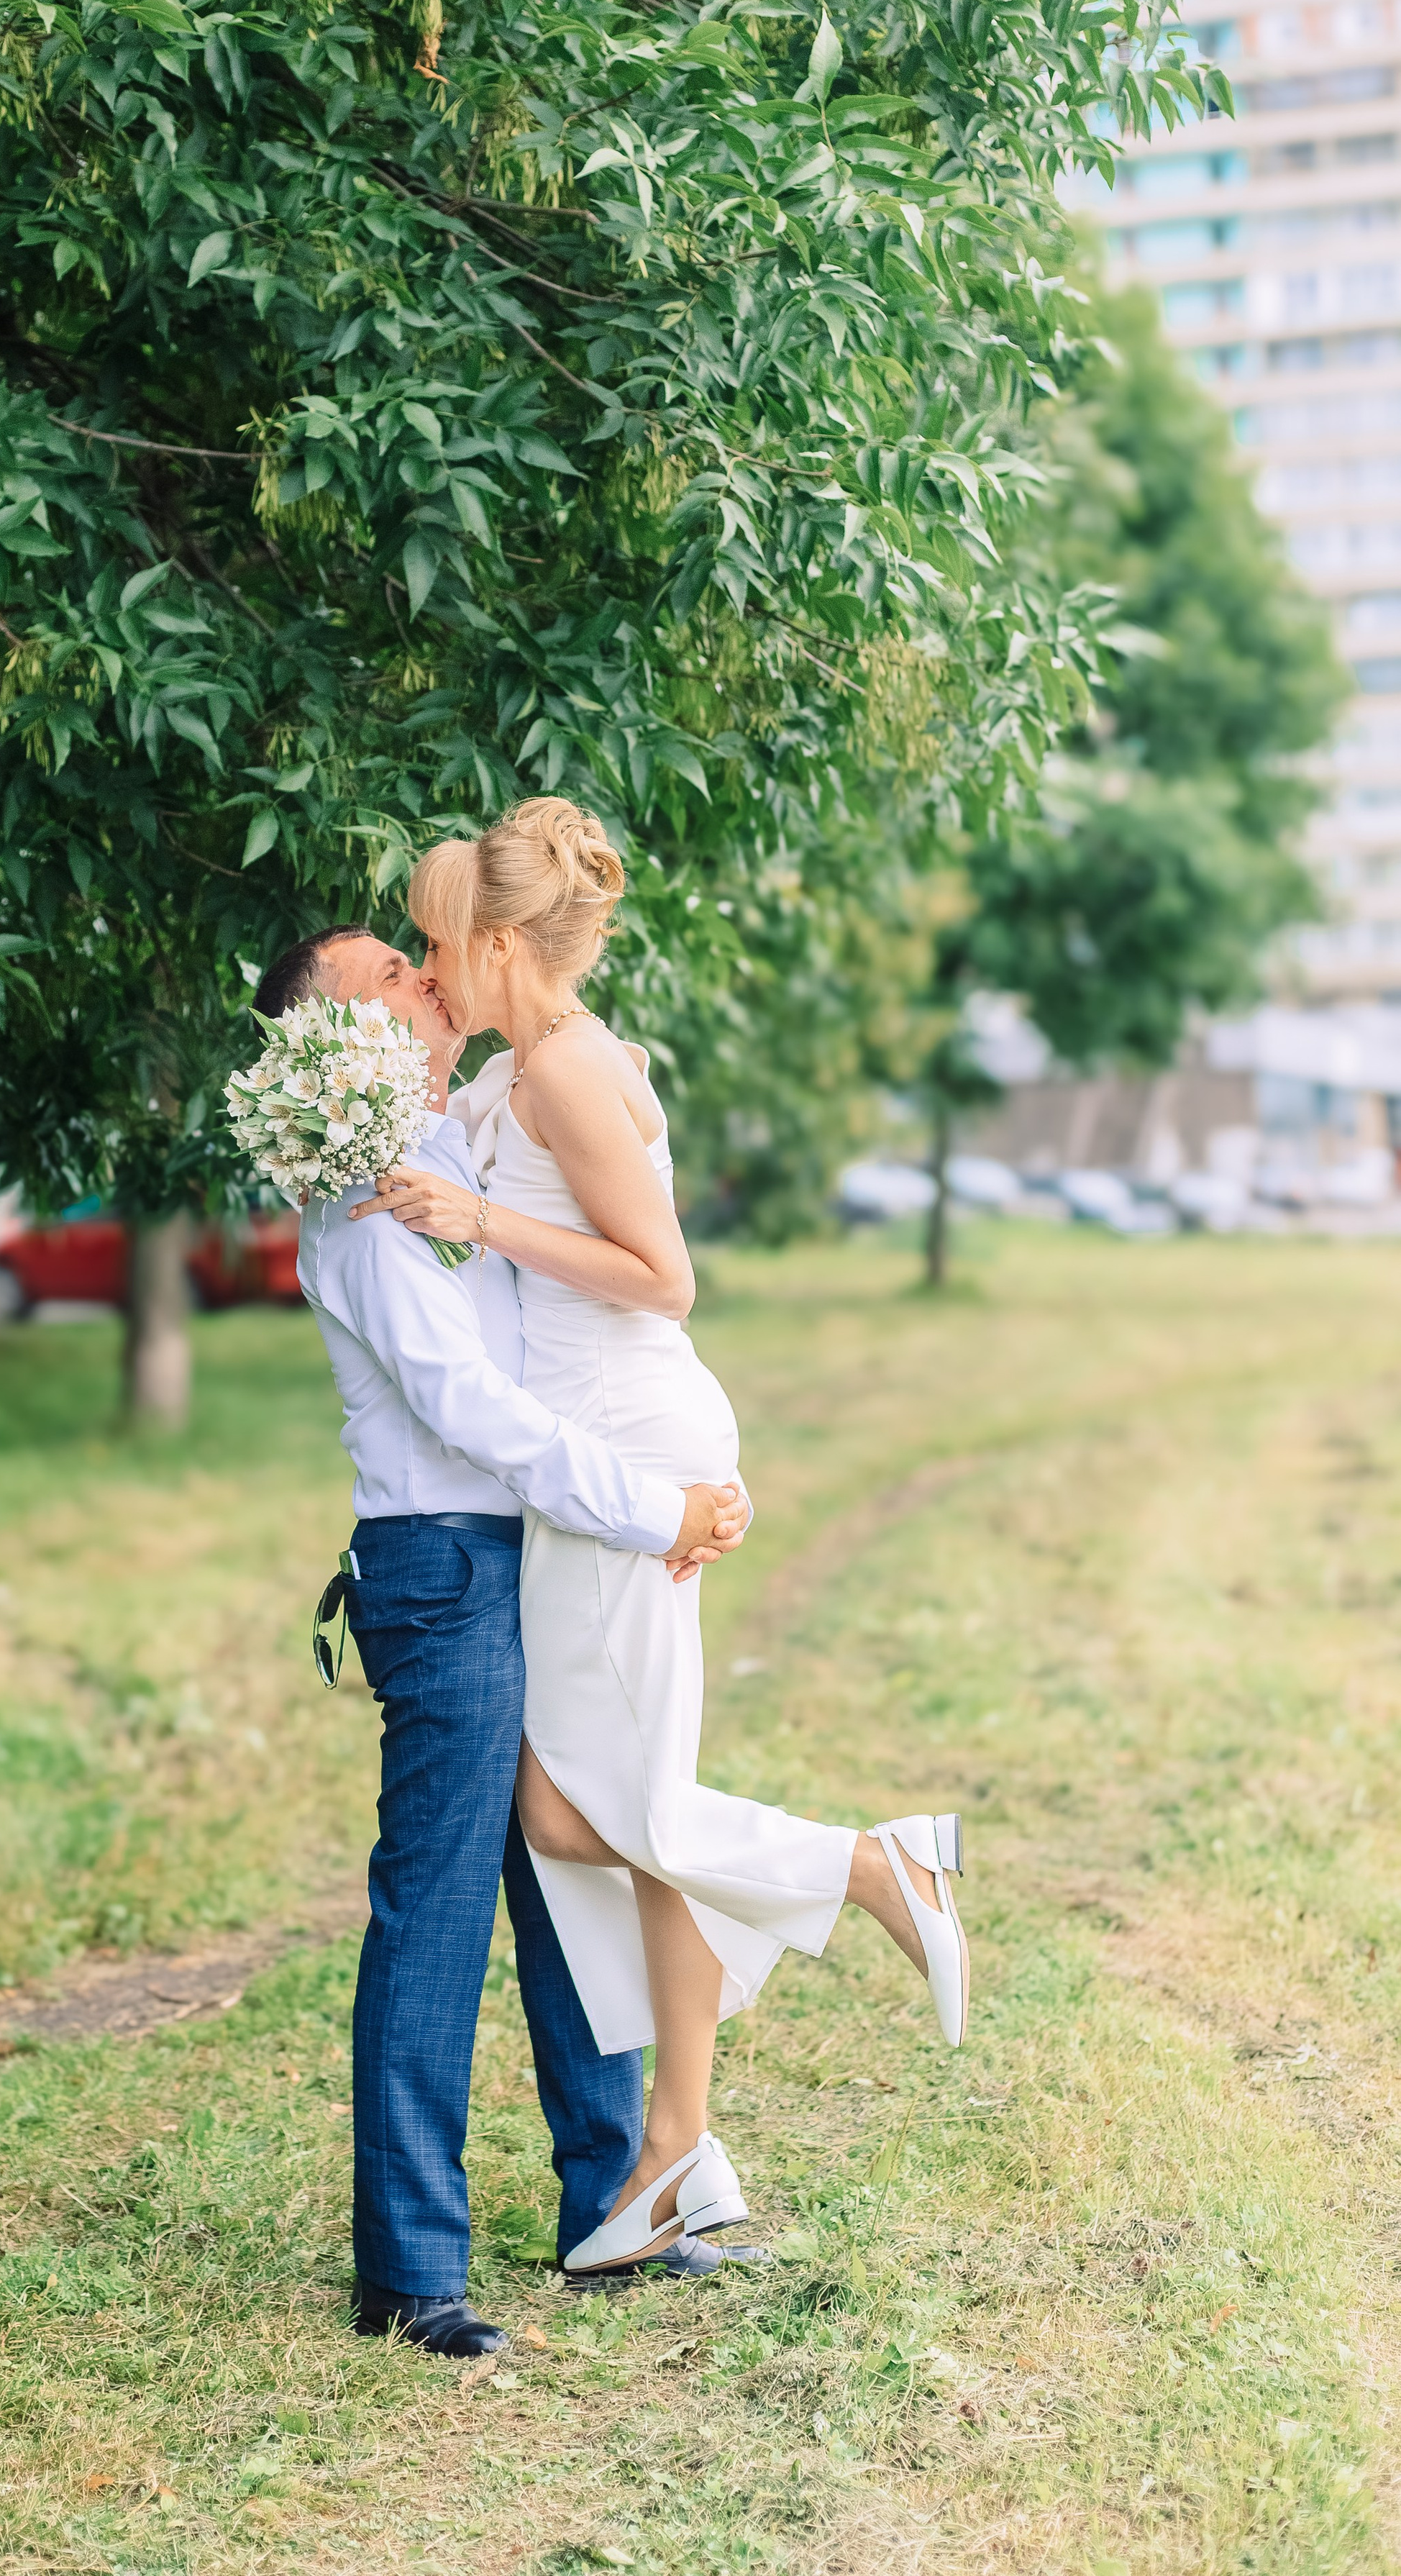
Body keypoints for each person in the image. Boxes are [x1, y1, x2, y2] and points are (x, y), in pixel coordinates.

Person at [350, 798, 971, 2274]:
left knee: (598, 1808)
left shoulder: (566, 1067)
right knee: (586, 1810)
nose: (432, 969)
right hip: (606, 1454)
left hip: (624, 1443)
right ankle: (673, 2144)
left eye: (441, 944)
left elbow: (663, 1277)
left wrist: (479, 1225)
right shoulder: (522, 1068)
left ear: (501, 942)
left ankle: (876, 1868)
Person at [255, 921, 754, 2360]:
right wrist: (652, 1500)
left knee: (573, 1867)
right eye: (393, 977)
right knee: (438, 1909)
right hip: (447, 1569)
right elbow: (478, 1417)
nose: (428, 976)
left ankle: (613, 2208)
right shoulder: (360, 1198)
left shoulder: (456, 1142)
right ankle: (408, 2271)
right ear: (335, 1042)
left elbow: (582, 1165)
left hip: (531, 1551)